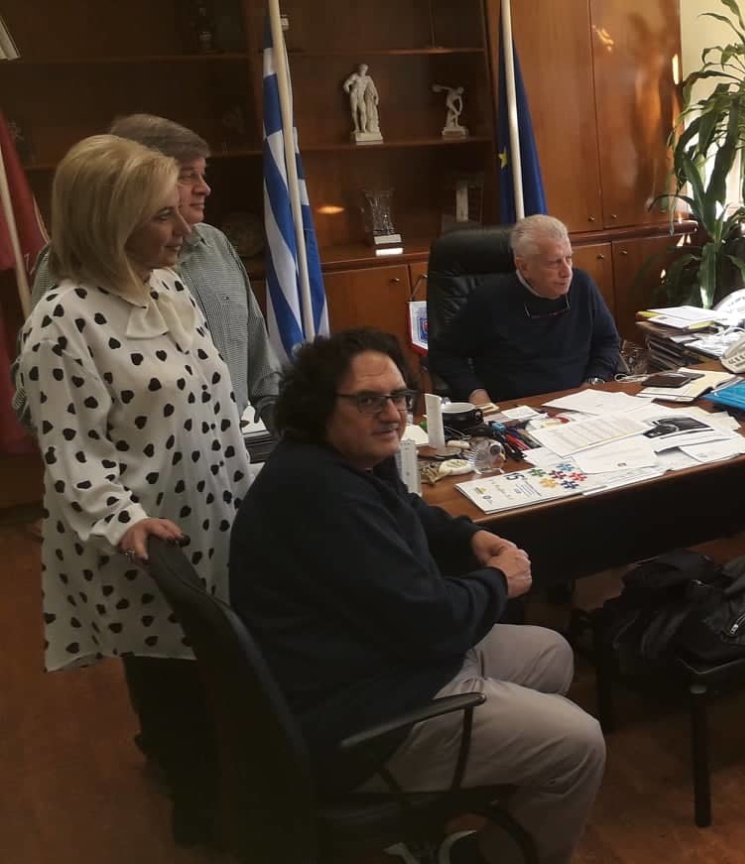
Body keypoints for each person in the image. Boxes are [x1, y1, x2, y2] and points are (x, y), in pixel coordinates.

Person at [230, 328, 605, 864]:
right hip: (363, 716)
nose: (392, 414)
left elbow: (406, 509)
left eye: (399, 396)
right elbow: (433, 624)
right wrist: (498, 582)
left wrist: (470, 538)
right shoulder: (323, 497)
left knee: (552, 652)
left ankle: (454, 816)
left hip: (375, 662)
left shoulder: (333, 458)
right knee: (580, 744)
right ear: (320, 405)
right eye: (368, 400)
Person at [17, 134, 251, 842]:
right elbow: (72, 456)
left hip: (212, 516)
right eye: (162, 216)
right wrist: (126, 523)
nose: (186, 229)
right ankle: (201, 817)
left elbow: (214, 403)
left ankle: (228, 783)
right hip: (143, 544)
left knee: (217, 670)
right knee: (172, 680)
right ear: (109, 220)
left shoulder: (168, 287)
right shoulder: (61, 323)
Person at [17, 113, 281, 430]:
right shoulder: (73, 262)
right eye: (187, 176)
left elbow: (260, 363)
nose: (205, 188)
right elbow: (40, 401)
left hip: (226, 447)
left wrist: (292, 432)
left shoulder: (215, 245)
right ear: (132, 184)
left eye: (203, 173)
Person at [430, 214, 621, 402]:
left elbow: (607, 341)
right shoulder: (489, 298)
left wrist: (593, 381)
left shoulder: (582, 285)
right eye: (554, 262)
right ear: (524, 267)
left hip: (581, 402)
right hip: (516, 407)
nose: (566, 272)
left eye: (569, 258)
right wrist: (475, 393)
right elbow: (444, 354)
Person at [343, 63, 380, 135]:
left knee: (363, 111)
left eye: (364, 70)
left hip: (360, 96)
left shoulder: (367, 78)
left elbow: (373, 88)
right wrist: (350, 92)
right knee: (354, 110)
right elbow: (346, 85)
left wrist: (376, 96)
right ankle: (357, 128)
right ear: (359, 69)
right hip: (354, 95)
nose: (363, 71)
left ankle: (363, 128)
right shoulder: (354, 76)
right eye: (362, 69)